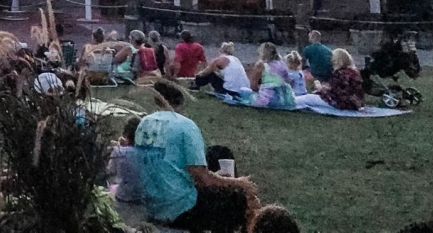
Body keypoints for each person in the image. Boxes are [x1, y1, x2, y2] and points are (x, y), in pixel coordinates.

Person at [137, 79, 259, 232]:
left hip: (150, 201)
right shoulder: (185, 125)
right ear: (181, 100)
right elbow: (203, 179)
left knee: (218, 152)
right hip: (178, 207)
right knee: (235, 199)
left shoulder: (143, 123)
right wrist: (237, 182)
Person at [298, 49, 365, 111]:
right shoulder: (354, 72)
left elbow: (337, 92)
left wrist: (322, 88)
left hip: (340, 103)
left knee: (308, 98)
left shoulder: (340, 73)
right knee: (312, 97)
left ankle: (290, 101)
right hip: (353, 104)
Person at [245, 43, 296, 110]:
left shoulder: (261, 65)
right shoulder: (282, 64)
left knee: (244, 92)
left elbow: (253, 85)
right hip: (285, 100)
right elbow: (289, 81)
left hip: (268, 100)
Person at [108, 115, 143, 203]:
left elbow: (110, 171)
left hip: (123, 196)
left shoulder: (119, 151)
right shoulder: (149, 153)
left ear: (126, 133)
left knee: (111, 187)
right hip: (143, 197)